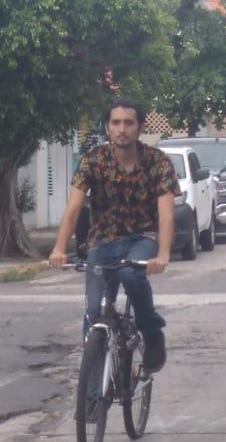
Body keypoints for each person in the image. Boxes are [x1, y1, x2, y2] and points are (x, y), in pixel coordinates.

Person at [49, 98, 179, 371]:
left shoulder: (158, 162)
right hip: (102, 241)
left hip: (143, 237)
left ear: (140, 127)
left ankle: (151, 331)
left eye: (129, 123)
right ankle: (94, 390)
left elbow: (166, 213)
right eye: (116, 122)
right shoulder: (93, 160)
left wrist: (164, 254)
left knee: (131, 275)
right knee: (94, 312)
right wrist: (59, 248)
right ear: (107, 128)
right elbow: (73, 207)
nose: (122, 129)